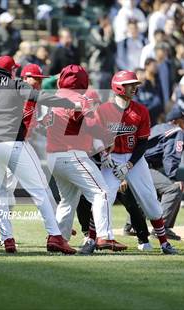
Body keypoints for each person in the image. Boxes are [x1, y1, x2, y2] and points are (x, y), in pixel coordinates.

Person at [0, 55, 81, 254]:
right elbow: (40, 97)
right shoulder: (15, 84)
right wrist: (71, 104)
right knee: (39, 190)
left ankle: (8, 240)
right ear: (11, 71)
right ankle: (55, 236)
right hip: (12, 143)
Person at [45, 65, 127, 254]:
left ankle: (58, 238)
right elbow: (92, 123)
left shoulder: (54, 97)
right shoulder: (79, 98)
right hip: (71, 153)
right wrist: (107, 139)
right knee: (102, 193)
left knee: (68, 200)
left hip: (53, 156)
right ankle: (105, 236)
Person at [97, 70, 178, 255]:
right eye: (130, 84)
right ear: (118, 86)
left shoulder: (140, 110)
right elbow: (97, 138)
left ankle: (164, 243)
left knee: (150, 199)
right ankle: (95, 239)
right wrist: (104, 156)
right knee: (103, 197)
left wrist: (129, 165)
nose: (134, 88)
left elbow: (142, 143)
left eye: (135, 84)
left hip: (134, 159)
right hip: (112, 158)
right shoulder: (104, 111)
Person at [123, 107, 184, 241]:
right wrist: (172, 178)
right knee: (173, 188)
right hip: (141, 164)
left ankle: (132, 225)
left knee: (151, 189)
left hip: (130, 162)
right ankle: (162, 229)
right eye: (183, 120)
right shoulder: (177, 131)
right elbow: (171, 155)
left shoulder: (158, 128)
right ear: (175, 121)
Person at [87, 14, 116, 96]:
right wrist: (107, 36)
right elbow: (103, 46)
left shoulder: (110, 32)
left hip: (108, 70)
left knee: (106, 99)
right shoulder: (95, 30)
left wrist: (110, 36)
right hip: (97, 70)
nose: (109, 22)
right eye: (107, 19)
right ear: (102, 20)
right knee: (97, 98)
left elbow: (114, 49)